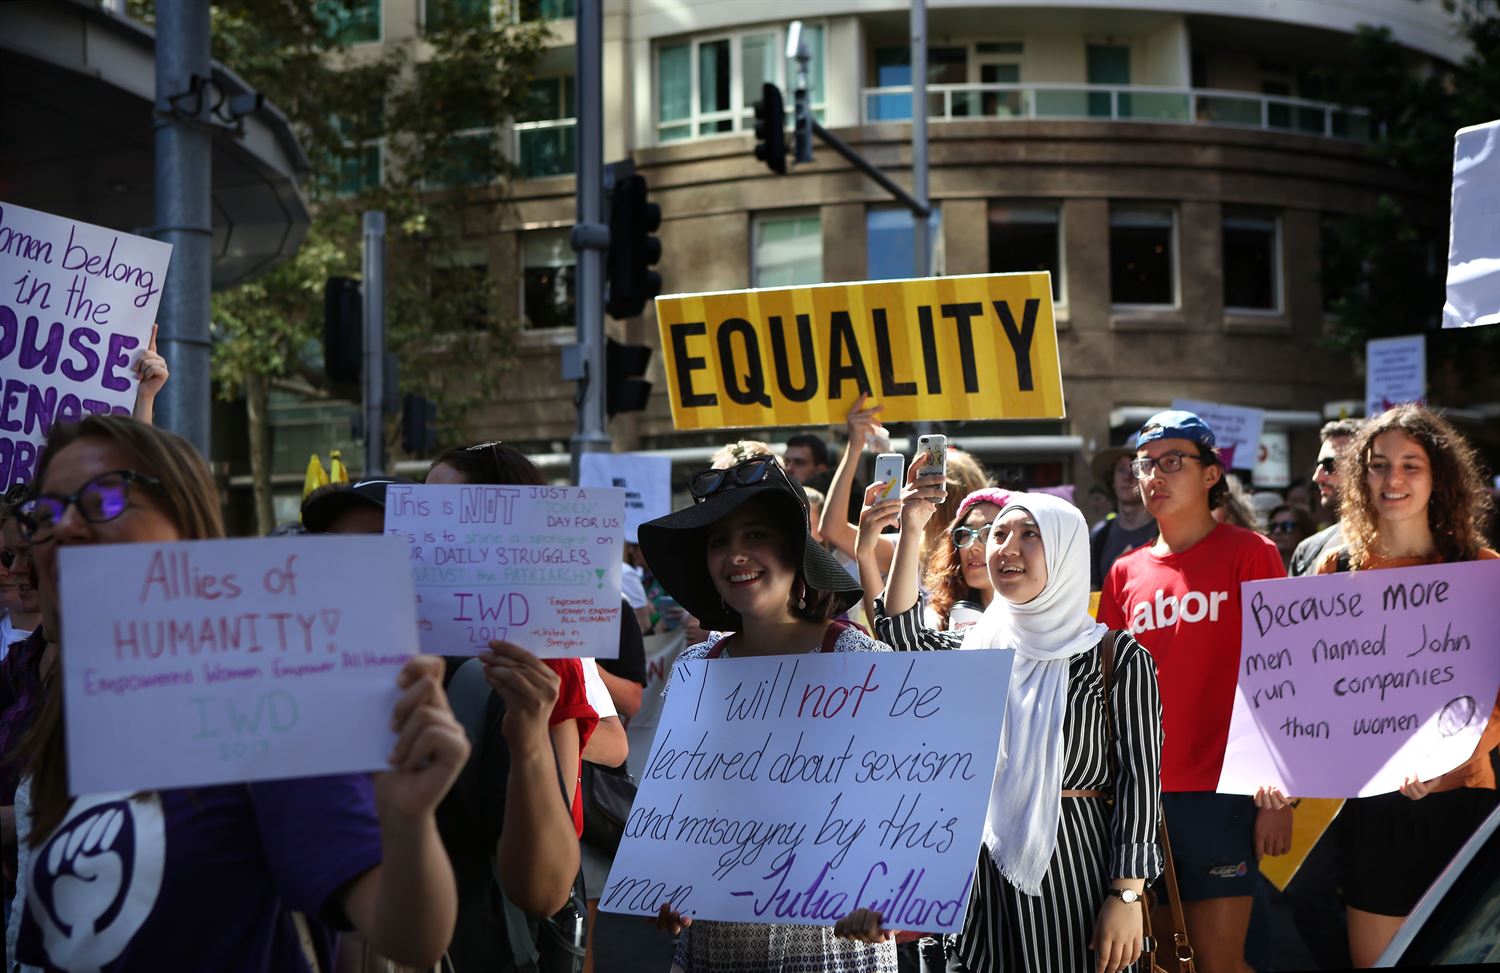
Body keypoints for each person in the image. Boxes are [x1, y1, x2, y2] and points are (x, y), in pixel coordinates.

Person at [13, 414, 464, 971]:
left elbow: (411, 936)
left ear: (187, 523)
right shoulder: (74, 719)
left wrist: (407, 820)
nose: (64, 528)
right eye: (46, 513)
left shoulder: (268, 704)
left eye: (104, 498)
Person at [853, 489, 1163, 973]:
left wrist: (1126, 895)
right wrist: (912, 527)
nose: (1006, 548)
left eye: (1030, 535)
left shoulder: (1117, 658)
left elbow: (1140, 784)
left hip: (1078, 877)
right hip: (980, 877)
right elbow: (901, 635)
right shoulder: (977, 646)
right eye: (999, 534)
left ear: (1065, 552)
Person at [640, 455, 896, 973]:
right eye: (718, 541)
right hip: (716, 953)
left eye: (755, 535)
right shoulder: (695, 669)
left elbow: (903, 809)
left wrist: (887, 896)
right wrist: (666, 883)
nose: (735, 555)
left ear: (794, 552)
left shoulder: (856, 661)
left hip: (835, 952)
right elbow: (677, 812)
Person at [1296, 405, 1496, 967]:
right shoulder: (1336, 570)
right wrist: (1282, 768)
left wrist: (1444, 763)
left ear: (1439, 477)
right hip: (1372, 807)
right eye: (1379, 466)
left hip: (1462, 802)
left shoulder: (1481, 568)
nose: (1394, 480)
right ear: (1361, 479)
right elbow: (1306, 684)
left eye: (1412, 464)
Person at [1097, 410, 1288, 973]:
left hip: (1225, 795)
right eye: (1145, 464)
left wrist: (1279, 792)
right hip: (1138, 799)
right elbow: (1107, 686)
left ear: (1211, 474)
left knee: (1217, 960)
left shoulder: (1251, 553)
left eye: (1172, 462)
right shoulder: (1124, 572)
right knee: (1158, 962)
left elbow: (1279, 676)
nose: (1153, 475)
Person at [1288, 419, 1363, 577]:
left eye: (1330, 465)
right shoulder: (1306, 553)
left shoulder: (1410, 547)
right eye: (1318, 466)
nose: (1317, 477)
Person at [1088, 440, 1156, 591]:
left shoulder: (1165, 531)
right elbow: (1093, 594)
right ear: (1111, 480)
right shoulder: (1100, 537)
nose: (1127, 477)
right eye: (1121, 470)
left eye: (1135, 469)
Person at [1266, 504, 1315, 572]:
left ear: (1304, 529)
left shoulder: (1316, 566)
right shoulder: (1260, 567)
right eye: (1273, 526)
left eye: (1287, 526)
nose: (1277, 531)